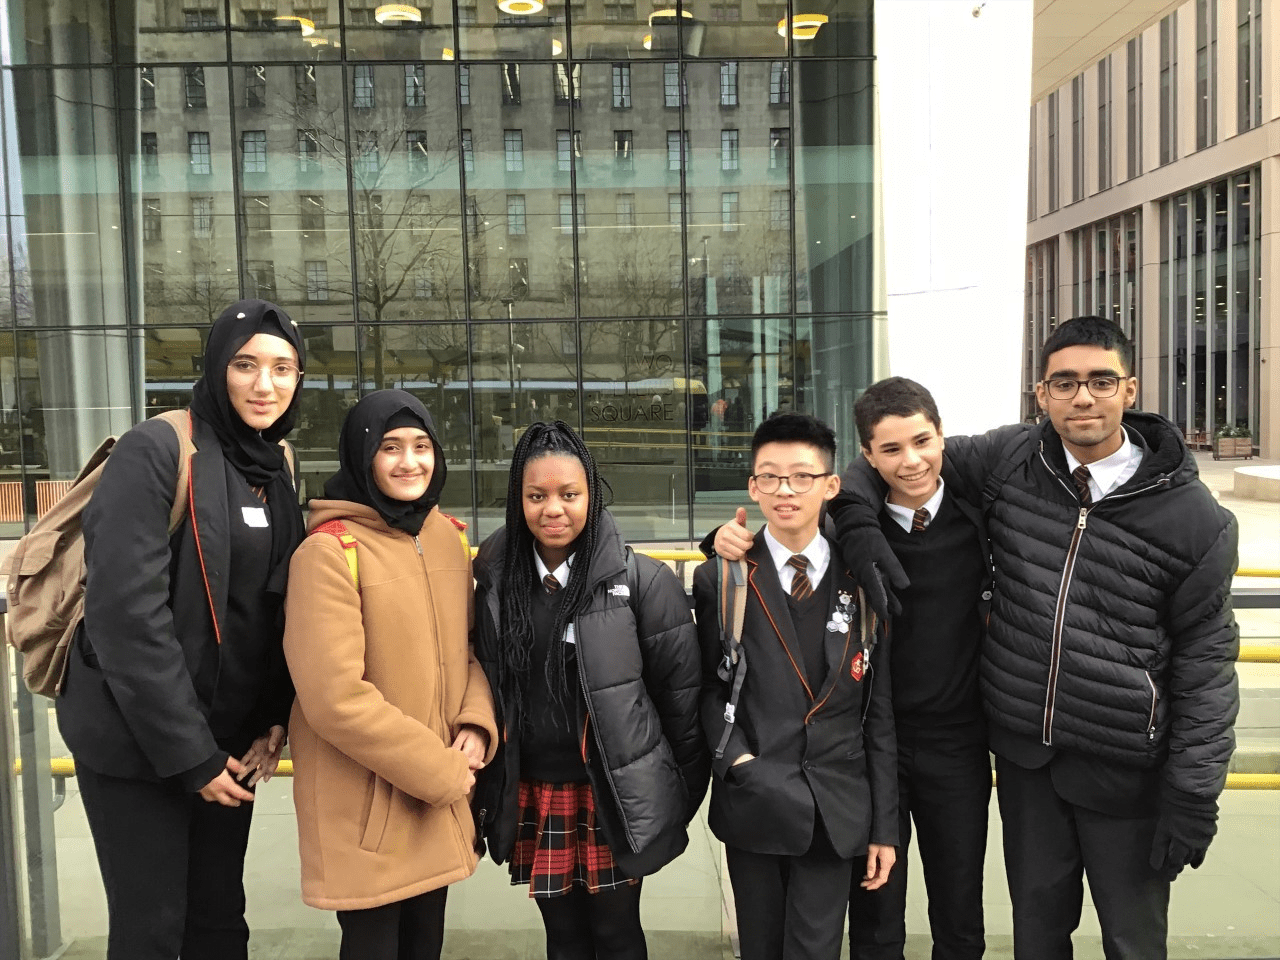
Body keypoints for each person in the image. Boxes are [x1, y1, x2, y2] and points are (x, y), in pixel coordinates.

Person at [717, 318, 1241, 958]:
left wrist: (1194, 788)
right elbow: (854, 470)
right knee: (1031, 933)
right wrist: (853, 524)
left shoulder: (1192, 516)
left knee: (1128, 937)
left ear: (1130, 389)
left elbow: (1209, 661)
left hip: (1119, 758)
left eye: (1101, 381)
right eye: (1064, 382)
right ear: (1040, 393)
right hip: (1019, 759)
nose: (1083, 397)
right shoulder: (1011, 458)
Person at [56, 299, 307, 960]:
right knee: (152, 931)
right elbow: (126, 614)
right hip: (139, 744)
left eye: (283, 368)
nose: (265, 384)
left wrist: (274, 718)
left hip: (227, 744)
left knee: (220, 922)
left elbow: (276, 606)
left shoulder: (275, 464)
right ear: (216, 368)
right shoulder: (157, 450)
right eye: (245, 364)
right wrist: (188, 753)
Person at [712, 383, 990, 959]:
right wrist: (717, 542)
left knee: (959, 907)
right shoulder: (851, 539)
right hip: (860, 752)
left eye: (921, 442)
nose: (909, 461)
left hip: (951, 740)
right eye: (890, 450)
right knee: (873, 912)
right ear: (868, 457)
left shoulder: (983, 521)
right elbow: (779, 539)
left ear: (942, 437)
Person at [472, 420, 709, 960]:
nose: (553, 509)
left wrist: (669, 803)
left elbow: (681, 709)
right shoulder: (494, 579)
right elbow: (486, 682)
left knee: (616, 933)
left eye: (569, 494)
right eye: (536, 496)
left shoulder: (643, 582)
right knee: (563, 937)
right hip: (536, 790)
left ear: (591, 494)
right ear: (518, 499)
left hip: (613, 796)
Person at [282, 390, 497, 960]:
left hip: (436, 798)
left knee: (425, 946)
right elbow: (335, 700)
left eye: (422, 446)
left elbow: (471, 649)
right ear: (362, 457)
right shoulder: (327, 554)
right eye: (391, 447)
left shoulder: (446, 538)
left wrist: (475, 723)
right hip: (371, 813)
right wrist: (441, 772)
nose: (410, 462)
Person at [695, 413, 898, 960]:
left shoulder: (862, 578)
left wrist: (885, 826)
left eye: (802, 476)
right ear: (752, 487)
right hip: (756, 796)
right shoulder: (722, 576)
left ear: (831, 485)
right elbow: (710, 688)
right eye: (770, 476)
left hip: (837, 806)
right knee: (759, 947)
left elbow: (877, 711)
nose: (786, 490)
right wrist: (737, 764)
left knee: (817, 949)